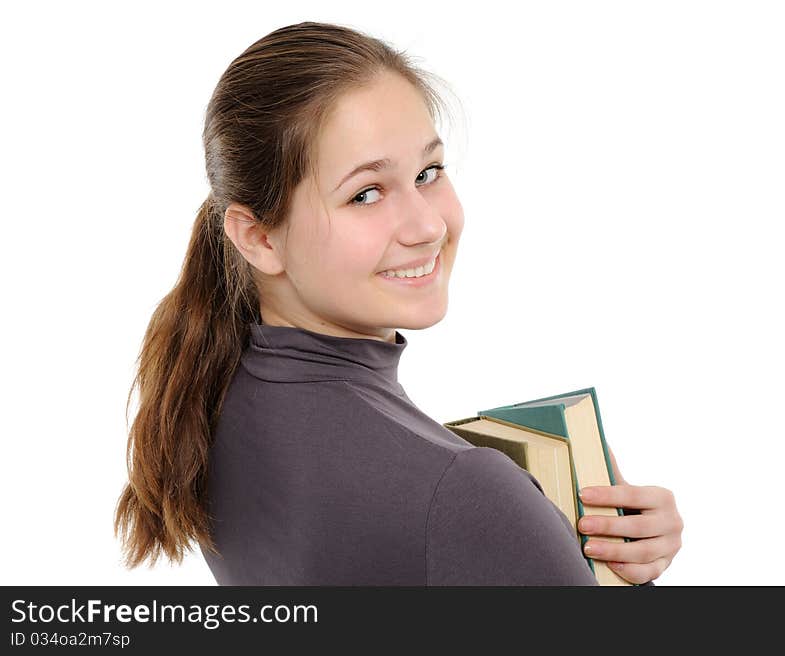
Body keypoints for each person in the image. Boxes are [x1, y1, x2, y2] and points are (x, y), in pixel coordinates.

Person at [113, 21, 683, 585]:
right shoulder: (467, 495)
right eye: (366, 193)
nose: (428, 224)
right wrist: (618, 578)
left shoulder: (216, 397)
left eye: (428, 172)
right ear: (258, 237)